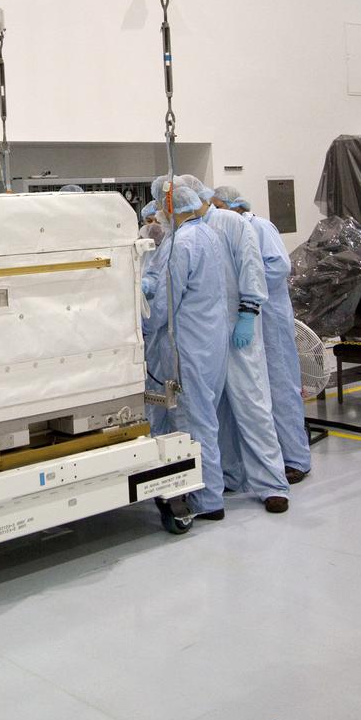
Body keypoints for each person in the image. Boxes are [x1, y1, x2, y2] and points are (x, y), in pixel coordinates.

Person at [173, 175, 290, 513]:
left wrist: (248, 313)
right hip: (205, 334)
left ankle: (272, 484)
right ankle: (230, 476)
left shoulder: (230, 223)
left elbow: (252, 268)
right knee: (215, 411)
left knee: (252, 405)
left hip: (238, 327)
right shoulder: (185, 233)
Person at [143, 182, 229, 519]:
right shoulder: (207, 234)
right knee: (205, 418)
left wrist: (144, 326)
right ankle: (210, 491)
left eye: (158, 205)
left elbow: (166, 302)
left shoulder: (181, 242)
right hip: (210, 341)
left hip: (188, 344)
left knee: (194, 422)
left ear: (169, 206)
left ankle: (207, 500)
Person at [214, 188, 311, 484]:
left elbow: (278, 266)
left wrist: (246, 286)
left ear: (234, 205)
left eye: (218, 206)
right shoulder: (229, 231)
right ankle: (259, 461)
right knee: (256, 394)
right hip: (247, 318)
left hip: (270, 319)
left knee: (282, 387)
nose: (215, 212)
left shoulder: (260, 226)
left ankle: (296, 459)